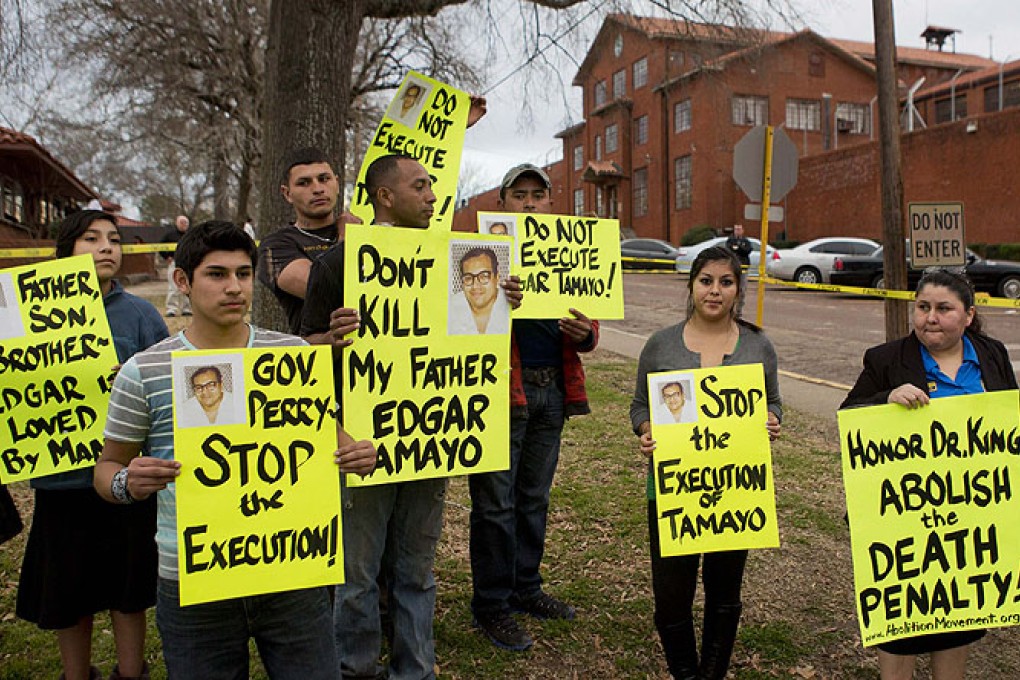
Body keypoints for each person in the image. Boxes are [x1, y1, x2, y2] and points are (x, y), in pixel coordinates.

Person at [93, 220, 376, 679]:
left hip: (291, 573)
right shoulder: (142, 372)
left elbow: (332, 435)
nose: (234, 288)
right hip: (194, 581)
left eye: (243, 274)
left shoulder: (291, 356)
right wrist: (128, 483)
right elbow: (106, 469)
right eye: (217, 274)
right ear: (182, 281)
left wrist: (361, 454)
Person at [301, 152, 519, 680]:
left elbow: (472, 342)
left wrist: (505, 297)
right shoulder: (339, 262)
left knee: (417, 570)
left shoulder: (456, 258)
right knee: (357, 575)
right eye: (420, 186)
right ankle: (354, 668)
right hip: (360, 446)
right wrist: (331, 338)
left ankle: (415, 669)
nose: (432, 195)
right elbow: (301, 354)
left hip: (427, 441)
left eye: (431, 186)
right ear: (385, 197)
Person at [841, 269, 1017, 680]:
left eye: (943, 309)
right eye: (922, 308)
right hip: (901, 526)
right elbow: (848, 416)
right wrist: (887, 398)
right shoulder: (886, 359)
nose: (929, 318)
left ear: (969, 315)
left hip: (970, 526)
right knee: (900, 630)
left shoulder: (991, 354)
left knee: (957, 625)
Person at [17, 209, 169, 680]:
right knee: (70, 594)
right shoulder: (25, 312)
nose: (106, 247)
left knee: (128, 592)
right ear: (66, 249)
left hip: (126, 480)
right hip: (62, 482)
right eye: (91, 238)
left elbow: (163, 384)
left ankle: (131, 672)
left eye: (113, 239)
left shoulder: (141, 314)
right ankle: (76, 674)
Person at [629, 246, 782, 680]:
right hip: (673, 490)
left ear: (738, 289)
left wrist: (772, 421)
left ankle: (711, 673)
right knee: (671, 596)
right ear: (692, 285)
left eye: (726, 282)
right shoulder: (660, 344)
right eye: (706, 281)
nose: (715, 291)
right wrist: (645, 430)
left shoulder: (758, 345)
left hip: (735, 489)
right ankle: (684, 672)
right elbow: (640, 405)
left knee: (724, 591)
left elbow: (773, 402)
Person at [467, 163, 599, 652]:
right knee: (495, 503)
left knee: (533, 498)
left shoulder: (569, 250)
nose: (528, 203)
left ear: (549, 203)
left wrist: (587, 333)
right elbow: (461, 317)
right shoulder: (482, 253)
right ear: (502, 203)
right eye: (518, 194)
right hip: (503, 390)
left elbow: (589, 321)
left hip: (553, 391)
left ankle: (526, 588)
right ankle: (492, 604)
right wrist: (496, 295)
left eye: (536, 195)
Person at [257, 147, 348, 334]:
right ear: (287, 193)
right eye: (304, 183)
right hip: (322, 356)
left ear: (337, 184)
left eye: (324, 179)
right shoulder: (275, 247)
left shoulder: (367, 230)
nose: (317, 189)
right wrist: (347, 239)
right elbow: (321, 291)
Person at [448, 246, 510, 335]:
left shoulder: (511, 301)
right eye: (468, 278)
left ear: (497, 278)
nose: (475, 285)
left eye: (484, 276)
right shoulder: (450, 308)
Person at [161, 215, 191, 317]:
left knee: (188, 285)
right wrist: (167, 257)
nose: (183, 225)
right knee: (173, 288)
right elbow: (160, 246)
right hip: (174, 263)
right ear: (177, 223)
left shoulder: (190, 235)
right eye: (181, 222)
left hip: (188, 263)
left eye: (185, 223)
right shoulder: (169, 235)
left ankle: (187, 309)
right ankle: (171, 309)